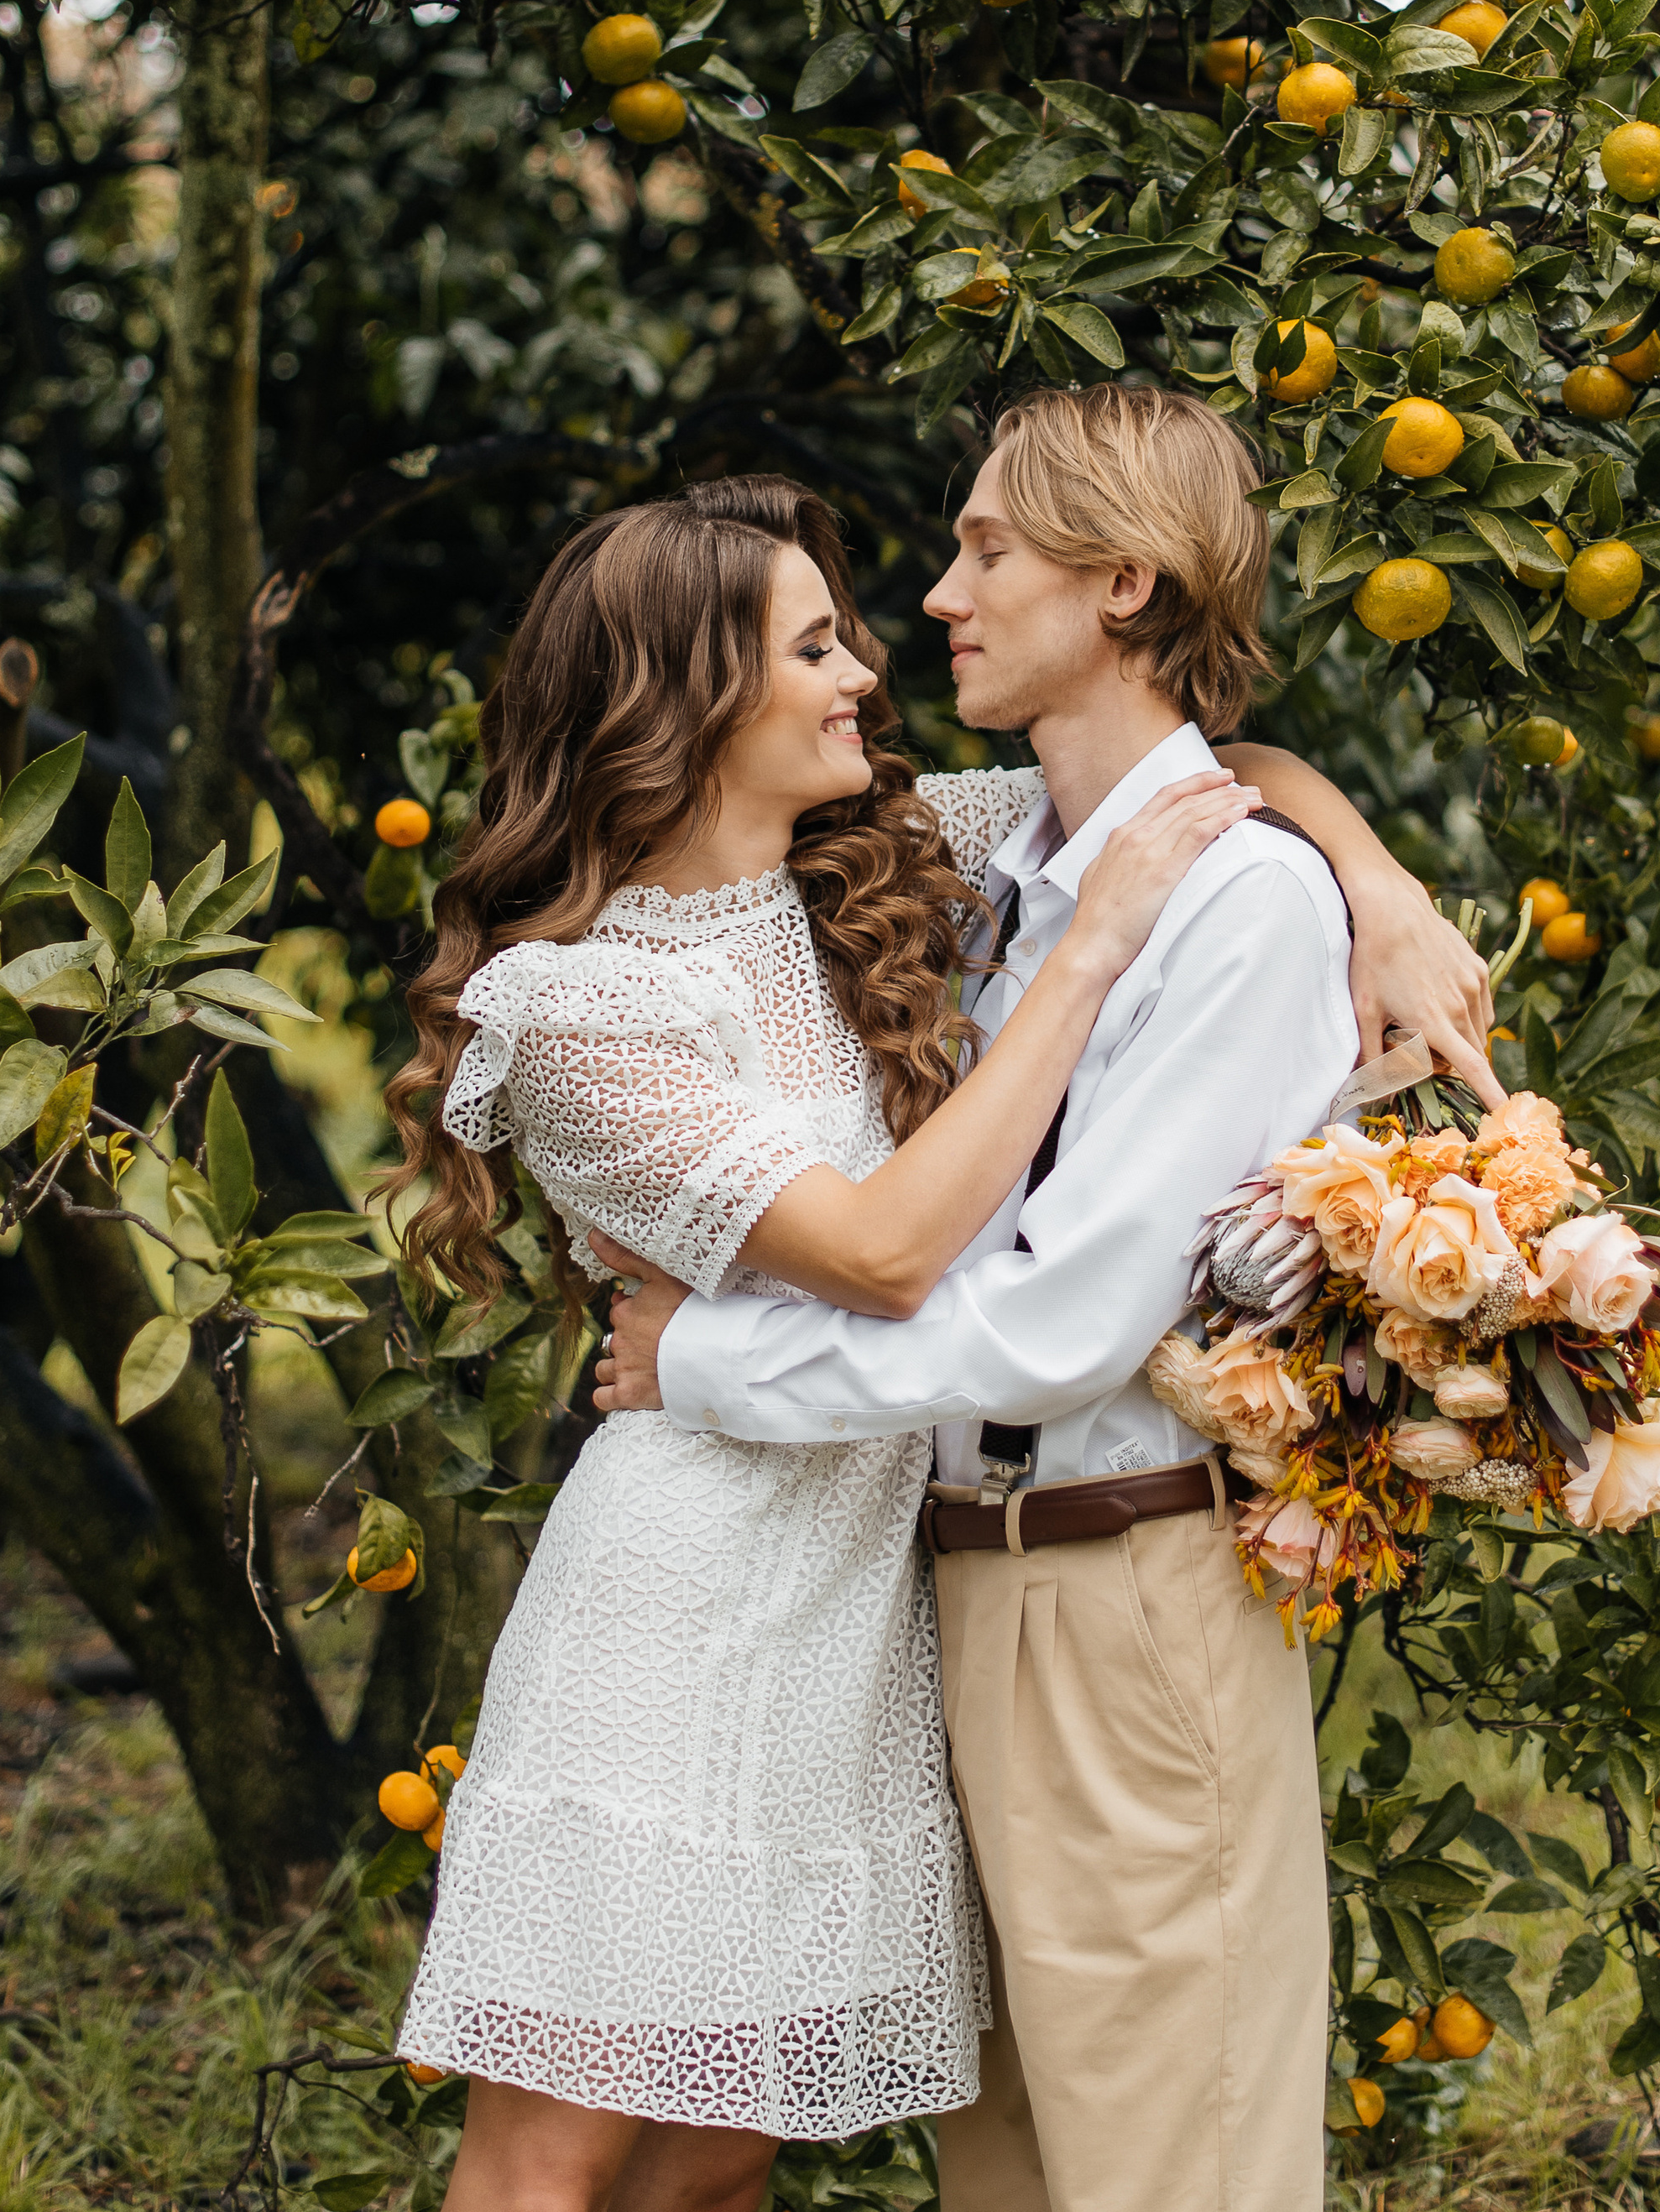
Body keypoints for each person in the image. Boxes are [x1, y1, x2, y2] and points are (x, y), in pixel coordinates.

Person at [596, 383, 1497, 2212]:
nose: (935, 594)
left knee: (1169, 2163)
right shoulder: (1009, 873)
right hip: (956, 1586)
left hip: (1118, 1593)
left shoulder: (1234, 906)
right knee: (1006, 2169)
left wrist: (702, 1358)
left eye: (987, 547)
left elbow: (1065, 1317)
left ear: (1126, 584)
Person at [384, 473, 1270, 2212]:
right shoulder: (576, 1006)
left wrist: (1368, 879)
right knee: (546, 2163)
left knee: (719, 2158)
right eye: (811, 645)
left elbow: (1180, 774)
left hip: (853, 1624)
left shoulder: (879, 856)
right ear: (686, 698)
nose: (865, 668)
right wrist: (1087, 951)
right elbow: (875, 1254)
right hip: (677, 1616)